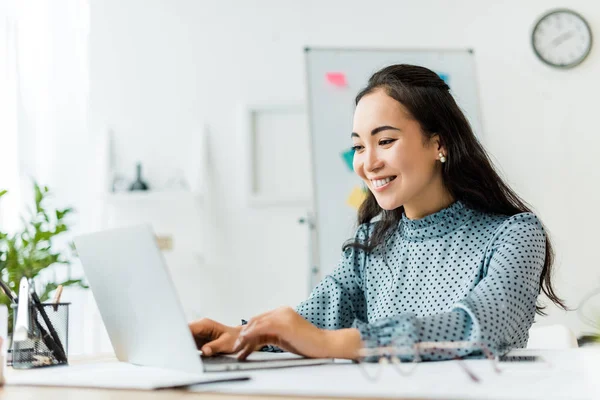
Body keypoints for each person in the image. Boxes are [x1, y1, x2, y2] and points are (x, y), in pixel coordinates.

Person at [189, 64, 566, 362]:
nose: (367, 162)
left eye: (385, 141)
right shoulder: (371, 241)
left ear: (439, 143)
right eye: (358, 146)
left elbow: (481, 326)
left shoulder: (515, 234)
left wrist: (330, 342)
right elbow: (311, 320)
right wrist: (239, 334)